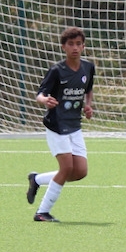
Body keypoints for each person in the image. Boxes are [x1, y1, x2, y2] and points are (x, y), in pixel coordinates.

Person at [26, 26, 95, 222]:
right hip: (57, 125)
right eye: (71, 44)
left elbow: (88, 89)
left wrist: (88, 105)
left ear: (83, 46)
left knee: (80, 172)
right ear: (63, 47)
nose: (75, 48)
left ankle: (37, 179)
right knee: (65, 168)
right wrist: (44, 100)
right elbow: (40, 94)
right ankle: (42, 212)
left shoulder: (88, 68)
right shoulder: (57, 70)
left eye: (79, 44)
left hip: (75, 125)